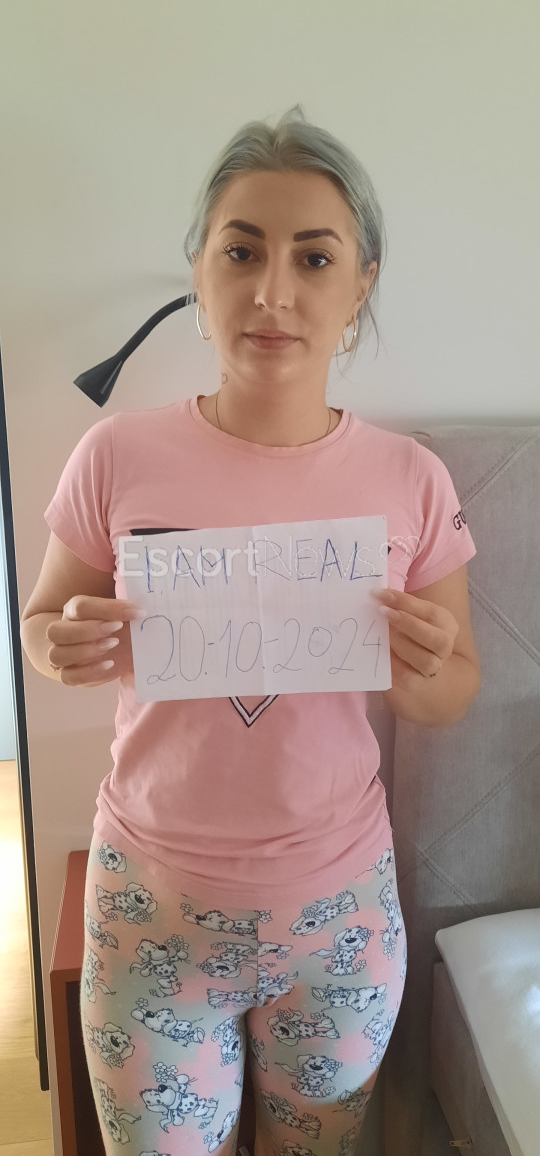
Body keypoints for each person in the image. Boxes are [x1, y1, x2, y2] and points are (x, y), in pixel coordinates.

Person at [20, 105, 477, 1156]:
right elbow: (43, 621)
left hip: (339, 918)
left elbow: (459, 686)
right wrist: (56, 644)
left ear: (360, 287)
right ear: (200, 269)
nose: (274, 291)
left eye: (315, 258)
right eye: (241, 251)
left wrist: (422, 673)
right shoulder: (114, 455)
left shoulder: (410, 479)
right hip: (152, 909)